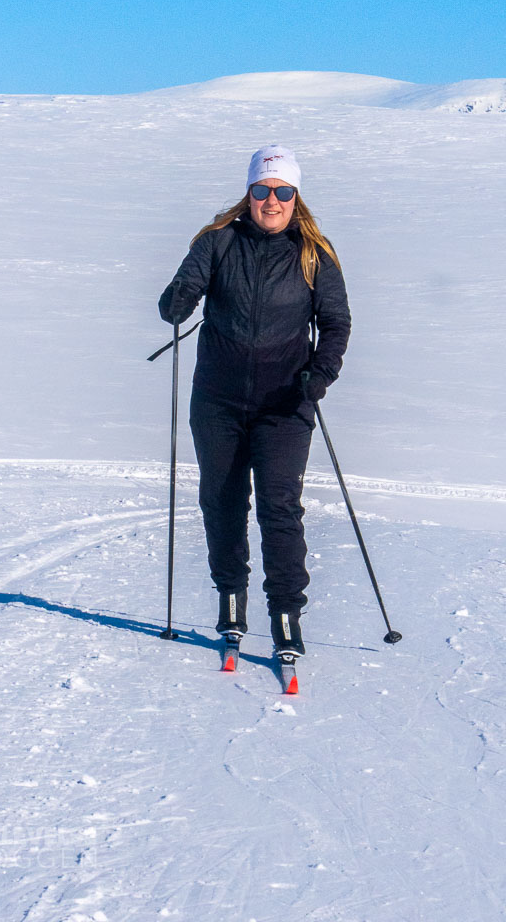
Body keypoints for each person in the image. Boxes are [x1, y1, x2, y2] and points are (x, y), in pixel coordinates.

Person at [158, 145, 351, 657]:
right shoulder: (217, 242)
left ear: (295, 196)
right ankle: (231, 598)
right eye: (263, 189)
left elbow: (336, 322)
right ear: (249, 193)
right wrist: (178, 299)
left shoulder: (314, 253)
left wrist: (321, 373)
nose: (272, 200)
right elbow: (182, 292)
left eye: (283, 191)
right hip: (217, 401)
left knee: (278, 507)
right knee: (221, 502)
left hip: (285, 402)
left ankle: (286, 612)